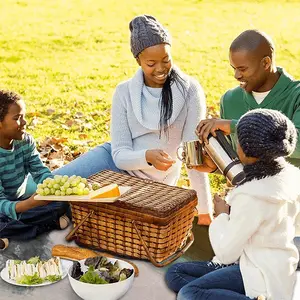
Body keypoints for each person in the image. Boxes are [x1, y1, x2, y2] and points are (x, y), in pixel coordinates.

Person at [52, 15, 212, 224]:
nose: (161, 69)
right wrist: (146, 156)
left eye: (166, 59)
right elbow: (119, 155)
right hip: (113, 163)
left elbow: (193, 157)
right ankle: (11, 212)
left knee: (83, 212)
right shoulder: (125, 92)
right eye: (151, 63)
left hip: (150, 185)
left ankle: (59, 217)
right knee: (49, 187)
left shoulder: (190, 90)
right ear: (138, 61)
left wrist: (205, 210)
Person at [165, 108, 300, 300]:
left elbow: (226, 252)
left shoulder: (251, 196)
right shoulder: (291, 177)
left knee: (189, 293)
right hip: (274, 266)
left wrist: (222, 215)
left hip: (259, 273)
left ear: (245, 149)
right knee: (175, 273)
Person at [195, 29, 300, 254]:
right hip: (248, 206)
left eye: (242, 69)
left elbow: (297, 143)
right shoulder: (231, 99)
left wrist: (235, 125)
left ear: (266, 63)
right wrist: (216, 166)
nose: (236, 76)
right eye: (234, 68)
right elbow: (242, 159)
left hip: (288, 209)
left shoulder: (296, 95)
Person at [0, 90, 70, 246]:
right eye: (17, 118)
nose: (24, 122)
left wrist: (53, 188)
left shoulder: (25, 141)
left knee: (64, 203)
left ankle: (10, 233)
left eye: (24, 116)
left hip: (21, 201)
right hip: (5, 207)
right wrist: (29, 204)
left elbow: (39, 171)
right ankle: (48, 224)